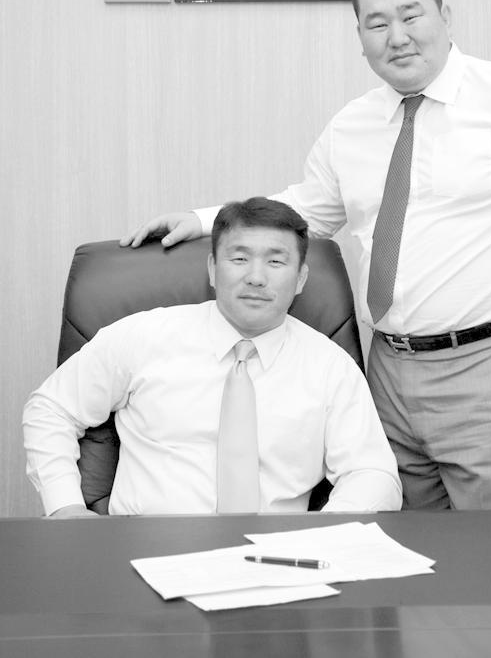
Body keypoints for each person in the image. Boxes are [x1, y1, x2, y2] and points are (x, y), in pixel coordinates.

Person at [120, 0, 491, 510]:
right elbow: (309, 210)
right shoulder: (353, 125)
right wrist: (204, 220)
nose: (397, 37)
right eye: (376, 24)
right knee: (400, 549)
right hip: (387, 372)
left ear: (445, 16)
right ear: (361, 38)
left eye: (411, 15)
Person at [24, 197, 402, 517]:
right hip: (148, 550)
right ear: (212, 269)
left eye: (275, 262)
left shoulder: (329, 366)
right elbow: (51, 408)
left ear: (301, 278)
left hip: (275, 559)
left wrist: (321, 536)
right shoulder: (143, 336)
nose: (256, 277)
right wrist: (65, 507)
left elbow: (373, 473)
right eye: (239, 258)